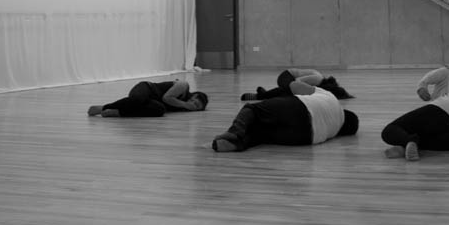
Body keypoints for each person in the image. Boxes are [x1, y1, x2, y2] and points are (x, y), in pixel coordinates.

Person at [210, 78, 359, 152]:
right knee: (261, 134)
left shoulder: (331, 98)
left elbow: (293, 85)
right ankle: (235, 145)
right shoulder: (334, 131)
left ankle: (234, 132)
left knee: (252, 109)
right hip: (306, 137)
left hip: (302, 107)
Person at [381, 66, 449, 161]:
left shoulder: (441, 97)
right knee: (421, 137)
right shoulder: (444, 100)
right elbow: (444, 72)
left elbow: (444, 72)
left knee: (389, 130)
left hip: (448, 111)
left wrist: (422, 85)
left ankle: (408, 142)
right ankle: (407, 146)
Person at [87, 79, 208, 118]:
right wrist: (185, 105)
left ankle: (118, 112)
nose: (193, 107)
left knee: (159, 110)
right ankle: (103, 107)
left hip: (151, 101)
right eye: (196, 104)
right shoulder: (184, 86)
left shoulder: (181, 107)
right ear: (194, 96)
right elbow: (167, 98)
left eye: (197, 108)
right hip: (146, 88)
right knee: (139, 99)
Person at [240, 66, 353, 102]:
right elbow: (297, 82)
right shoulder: (317, 79)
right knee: (287, 92)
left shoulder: (319, 82)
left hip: (291, 79)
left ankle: (264, 95)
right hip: (286, 76)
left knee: (289, 94)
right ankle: (262, 96)